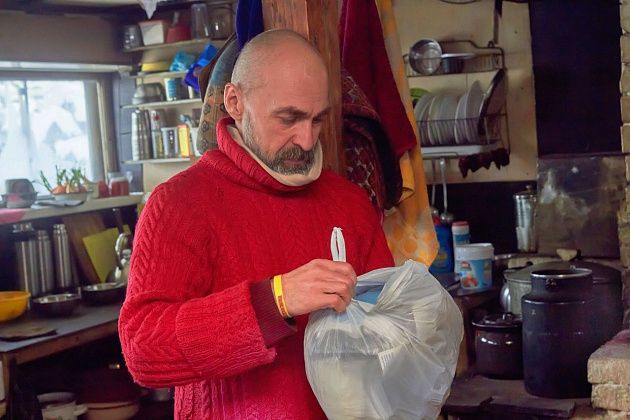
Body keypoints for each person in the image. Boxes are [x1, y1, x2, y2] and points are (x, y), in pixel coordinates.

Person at [119, 29, 394, 419]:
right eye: (289, 118)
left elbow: (388, 332)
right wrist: (275, 301)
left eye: (317, 120)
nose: (306, 139)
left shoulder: (349, 202)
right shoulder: (178, 204)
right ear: (235, 102)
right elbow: (143, 352)